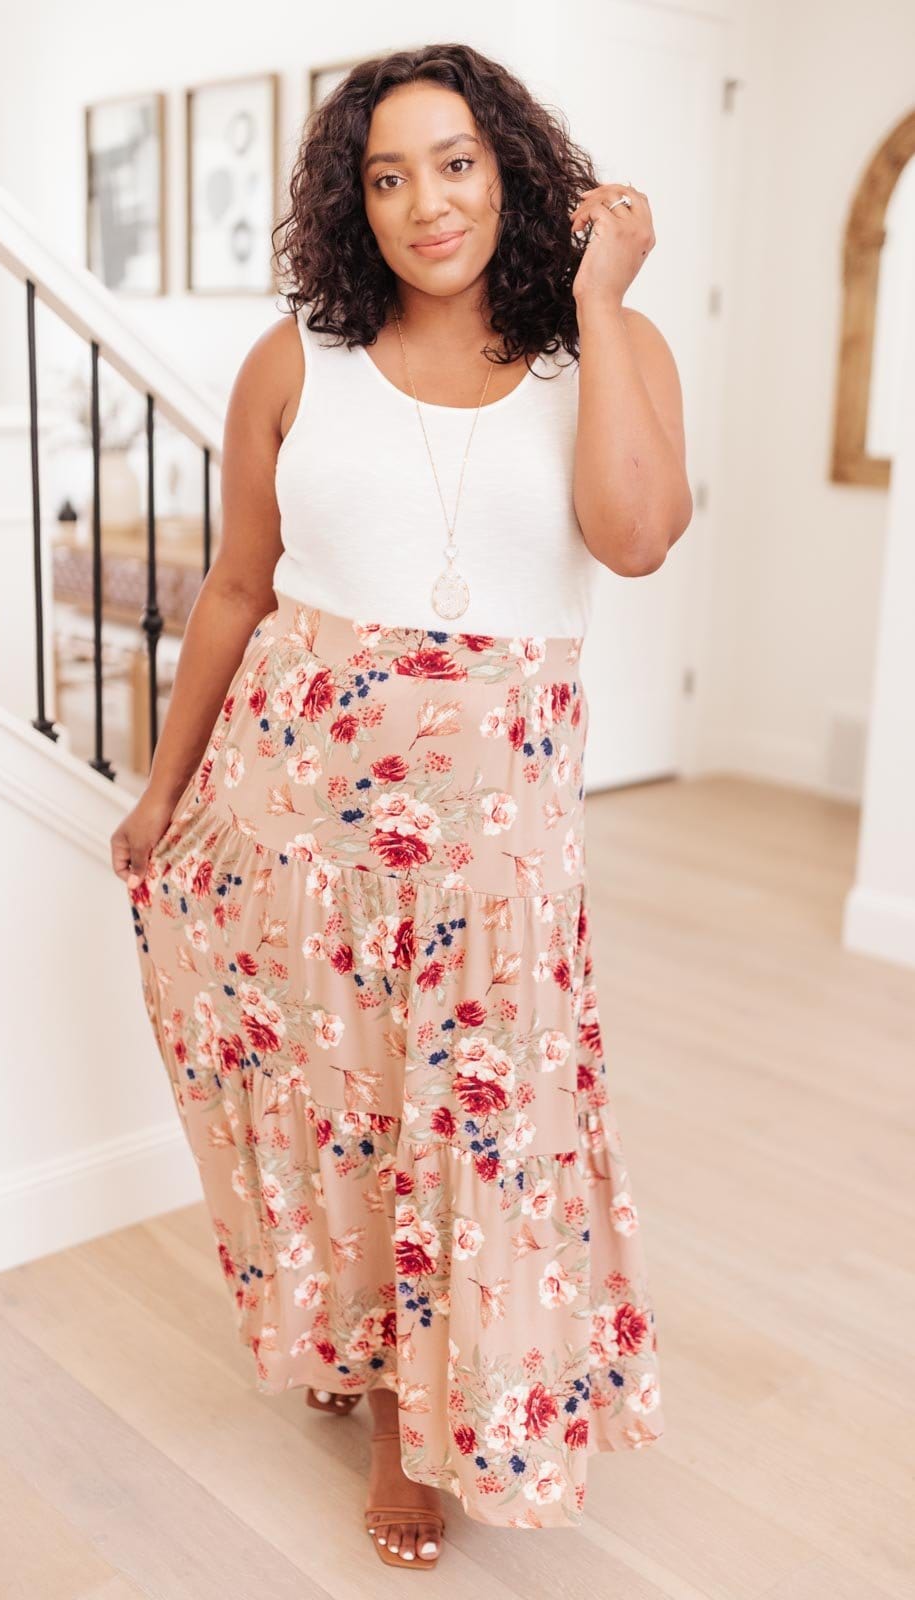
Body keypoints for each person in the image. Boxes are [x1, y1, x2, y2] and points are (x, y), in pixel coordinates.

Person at [112, 41, 690, 1568]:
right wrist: (165, 790)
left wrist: (601, 302)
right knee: (345, 1122)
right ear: (350, 204)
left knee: (475, 1132)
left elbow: (637, 537)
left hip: (496, 857)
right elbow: (236, 590)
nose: (426, 203)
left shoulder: (606, 348)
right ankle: (376, 1390)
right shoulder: (297, 361)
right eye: (386, 177)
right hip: (296, 826)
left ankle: (434, 1403)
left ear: (511, 170)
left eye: (454, 164)